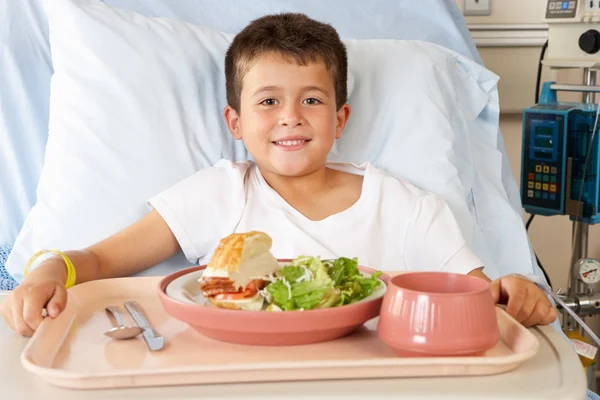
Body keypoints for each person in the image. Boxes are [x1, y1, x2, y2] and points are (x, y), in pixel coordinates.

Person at [0, 13, 557, 336]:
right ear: (235, 123)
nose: (291, 115)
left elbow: (480, 300)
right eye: (268, 101)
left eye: (311, 99)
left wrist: (515, 292)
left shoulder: (408, 208)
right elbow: (97, 261)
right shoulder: (221, 194)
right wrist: (47, 270)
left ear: (340, 119)